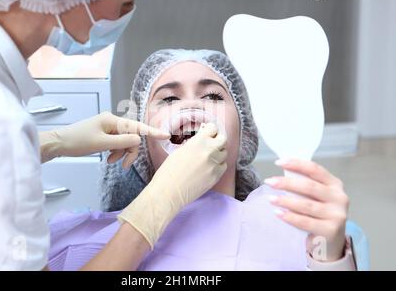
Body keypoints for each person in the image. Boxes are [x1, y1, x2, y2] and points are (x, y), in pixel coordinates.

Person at [0, 0, 226, 270]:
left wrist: (54, 143)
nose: (192, 106)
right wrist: (159, 202)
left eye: (213, 96)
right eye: (127, 1)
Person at [48, 49, 357, 271]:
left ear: (243, 132)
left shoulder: (294, 219)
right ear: (140, 140)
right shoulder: (78, 236)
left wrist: (331, 258)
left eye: (213, 96)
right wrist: (51, 143)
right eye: (169, 98)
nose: (193, 104)